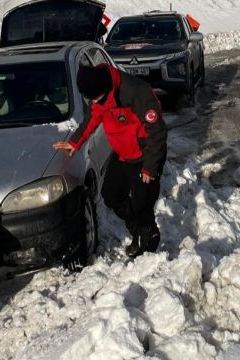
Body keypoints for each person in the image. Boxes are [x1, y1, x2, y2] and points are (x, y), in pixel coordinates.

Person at [54, 63, 167, 258]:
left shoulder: (136, 92)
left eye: (95, 97)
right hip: (123, 154)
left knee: (143, 202)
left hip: (145, 154)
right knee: (111, 195)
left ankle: (147, 243)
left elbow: (156, 132)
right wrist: (75, 142)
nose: (94, 102)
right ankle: (139, 228)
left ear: (105, 89)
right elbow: (92, 118)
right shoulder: (100, 95)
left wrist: (150, 167)